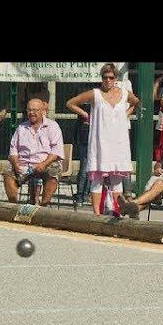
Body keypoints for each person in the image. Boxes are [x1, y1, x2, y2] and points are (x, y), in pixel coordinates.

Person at [66, 63, 140, 215]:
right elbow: (71, 103)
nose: (107, 80)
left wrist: (125, 114)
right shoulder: (95, 93)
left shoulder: (125, 93)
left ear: (116, 79)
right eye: (105, 77)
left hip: (119, 142)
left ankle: (117, 212)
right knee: (97, 179)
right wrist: (86, 115)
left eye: (111, 77)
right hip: (100, 142)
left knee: (117, 179)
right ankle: (96, 215)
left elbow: (137, 103)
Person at [2, 99, 64, 206]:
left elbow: (56, 151)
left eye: (35, 110)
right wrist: (16, 163)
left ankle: (43, 207)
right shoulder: (21, 128)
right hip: (24, 164)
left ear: (42, 111)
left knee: (54, 173)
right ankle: (13, 206)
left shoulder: (52, 126)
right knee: (8, 172)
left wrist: (44, 164)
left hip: (46, 163)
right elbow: (13, 150)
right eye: (29, 110)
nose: (32, 113)